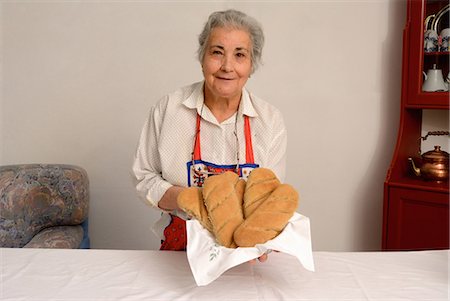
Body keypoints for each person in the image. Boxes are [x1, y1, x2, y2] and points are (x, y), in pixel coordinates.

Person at [132, 9, 287, 262]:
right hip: (179, 250)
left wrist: (262, 235)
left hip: (244, 251)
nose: (227, 66)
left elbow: (269, 196)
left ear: (251, 64)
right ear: (202, 57)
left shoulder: (269, 121)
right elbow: (144, 178)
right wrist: (186, 198)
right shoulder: (168, 110)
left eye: (240, 55)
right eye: (217, 52)